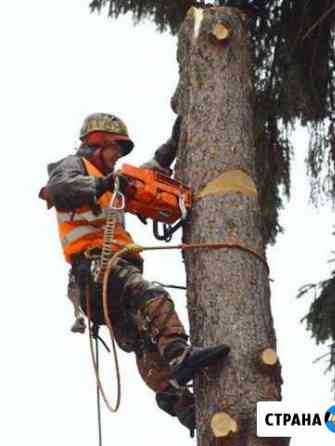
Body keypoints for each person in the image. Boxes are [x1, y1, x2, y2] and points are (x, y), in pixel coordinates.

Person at [39, 112, 230, 435]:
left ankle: (178, 402)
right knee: (152, 296)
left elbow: (145, 178)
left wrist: (172, 145)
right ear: (95, 143)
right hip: (96, 268)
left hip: (104, 280)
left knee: (143, 342)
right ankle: (180, 354)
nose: (118, 157)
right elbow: (58, 190)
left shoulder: (111, 181)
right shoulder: (74, 169)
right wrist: (102, 183)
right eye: (115, 148)